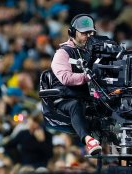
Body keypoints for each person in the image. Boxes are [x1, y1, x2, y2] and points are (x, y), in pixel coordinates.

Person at [50, 14, 102, 155]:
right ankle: (88, 140)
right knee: (75, 105)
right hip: (64, 99)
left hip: (85, 97)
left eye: (90, 33)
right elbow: (65, 78)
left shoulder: (90, 53)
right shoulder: (63, 53)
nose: (88, 36)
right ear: (72, 33)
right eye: (84, 33)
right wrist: (87, 77)